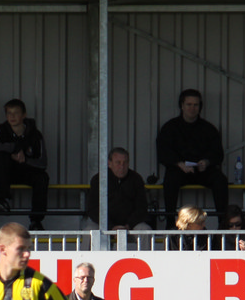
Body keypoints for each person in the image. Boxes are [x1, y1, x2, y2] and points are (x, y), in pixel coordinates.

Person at [156, 88, 230, 228]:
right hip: (179, 171)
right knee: (170, 180)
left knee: (220, 180)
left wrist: (206, 162)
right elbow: (163, 153)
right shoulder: (170, 128)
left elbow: (218, 154)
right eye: (189, 104)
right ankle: (170, 224)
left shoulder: (208, 128)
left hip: (202, 171)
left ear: (200, 107)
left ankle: (223, 224)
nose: (192, 108)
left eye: (196, 105)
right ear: (182, 106)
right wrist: (179, 164)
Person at [0, 98, 49, 229]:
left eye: (16, 113)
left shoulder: (35, 134)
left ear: (24, 115)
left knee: (43, 178)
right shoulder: (0, 130)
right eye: (9, 113)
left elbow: (43, 163)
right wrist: (13, 148)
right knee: (1, 156)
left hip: (26, 171)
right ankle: (3, 200)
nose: (12, 116)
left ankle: (36, 221)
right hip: (5, 173)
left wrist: (25, 160)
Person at [84, 147, 150, 231]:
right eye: (118, 163)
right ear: (109, 163)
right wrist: (110, 226)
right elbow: (92, 208)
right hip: (103, 224)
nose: (122, 166)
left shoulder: (136, 179)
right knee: (90, 231)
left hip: (131, 226)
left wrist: (128, 225)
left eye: (125, 162)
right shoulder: (98, 179)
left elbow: (142, 208)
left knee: (145, 230)